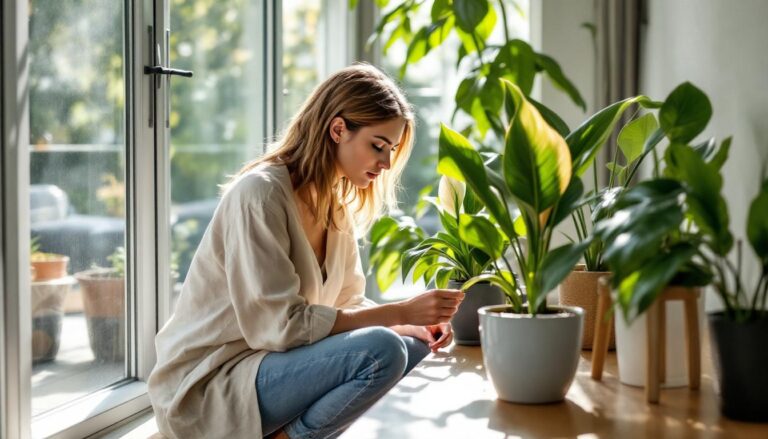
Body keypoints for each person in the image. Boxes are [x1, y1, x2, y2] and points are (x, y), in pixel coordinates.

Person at [147, 63, 465, 439]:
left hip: (270, 367)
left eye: (392, 151)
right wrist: (398, 310)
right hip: (213, 383)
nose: (385, 163)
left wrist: (410, 323)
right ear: (337, 129)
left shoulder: (336, 206)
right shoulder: (260, 195)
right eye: (378, 146)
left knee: (412, 347)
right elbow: (281, 327)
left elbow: (348, 305)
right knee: (382, 350)